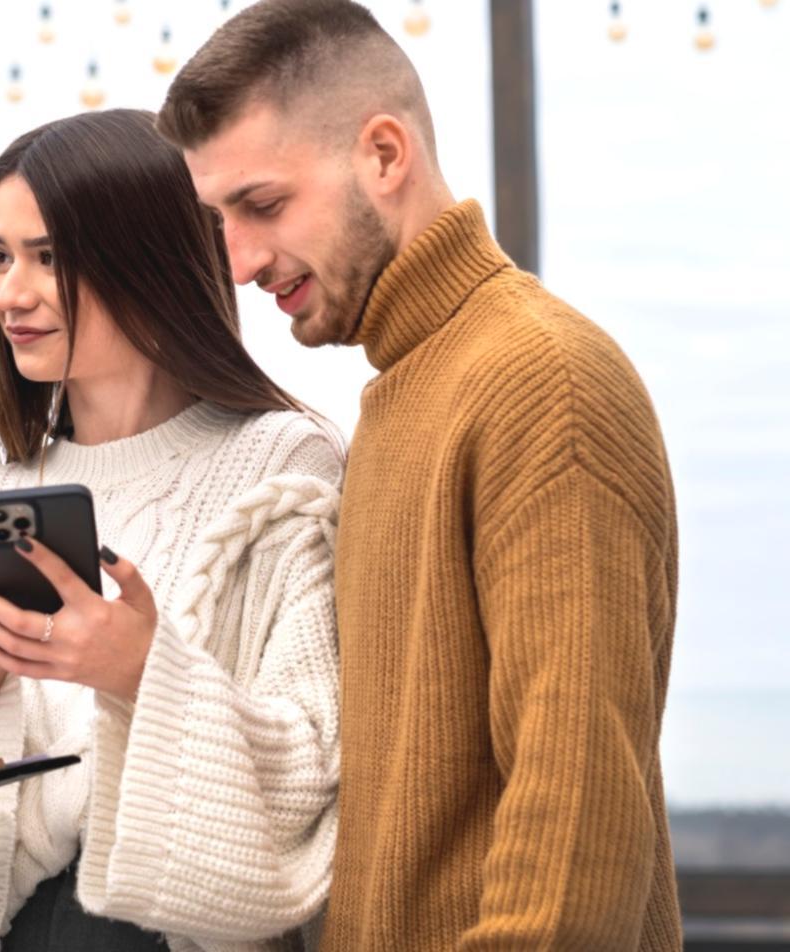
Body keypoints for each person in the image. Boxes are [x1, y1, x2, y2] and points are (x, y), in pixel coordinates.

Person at [159, 2, 683, 948]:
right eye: (220, 219)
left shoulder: (539, 380)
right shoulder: (403, 395)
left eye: (263, 205)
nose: (237, 261)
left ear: (385, 155)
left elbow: (574, 821)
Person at [0, 109, 342, 952]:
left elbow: (313, 769)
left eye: (49, 257)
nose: (11, 293)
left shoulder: (283, 473)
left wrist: (138, 673)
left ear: (147, 258)